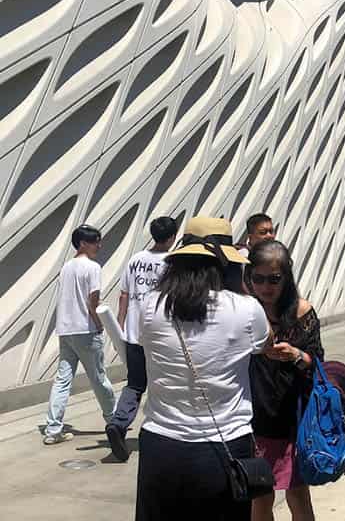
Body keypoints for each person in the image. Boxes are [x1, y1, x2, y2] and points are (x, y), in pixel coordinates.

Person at [136, 216, 270, 521]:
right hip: (226, 447)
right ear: (227, 263)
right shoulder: (246, 310)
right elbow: (264, 344)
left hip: (161, 445)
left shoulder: (151, 305)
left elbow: (144, 343)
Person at [248, 240, 324, 521]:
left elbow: (317, 363)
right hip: (254, 417)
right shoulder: (246, 310)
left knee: (298, 495)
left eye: (274, 279)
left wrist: (295, 354)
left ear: (287, 278)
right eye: (258, 278)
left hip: (292, 417)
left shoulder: (302, 312)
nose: (266, 287)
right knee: (259, 498)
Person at [105, 216, 177, 462]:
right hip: (160, 333)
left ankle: (119, 422)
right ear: (171, 237)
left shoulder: (135, 259)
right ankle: (161, 433)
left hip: (134, 333)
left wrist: (121, 325)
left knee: (135, 384)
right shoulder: (172, 262)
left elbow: (124, 295)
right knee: (164, 383)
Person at [43, 225, 115, 445]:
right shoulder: (92, 267)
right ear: (83, 243)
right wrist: (98, 323)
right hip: (86, 329)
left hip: (66, 331)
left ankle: (53, 429)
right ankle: (114, 420)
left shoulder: (65, 268)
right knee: (98, 378)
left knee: (62, 380)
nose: (99, 245)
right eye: (95, 241)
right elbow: (93, 300)